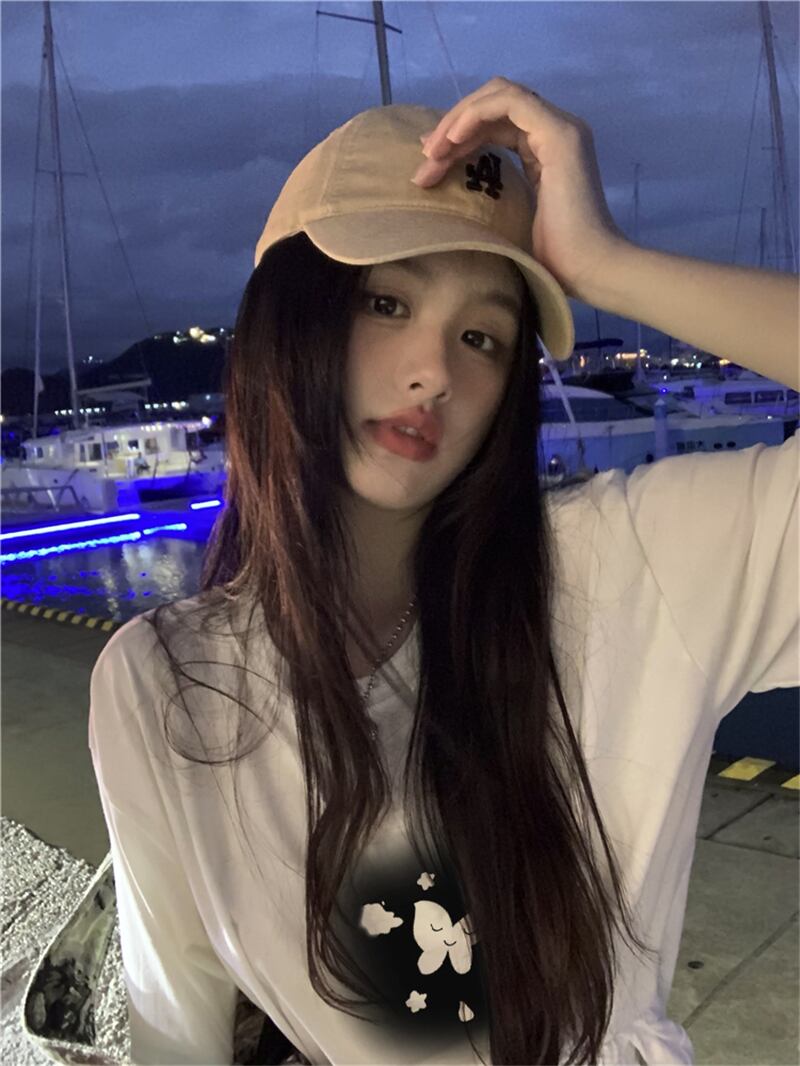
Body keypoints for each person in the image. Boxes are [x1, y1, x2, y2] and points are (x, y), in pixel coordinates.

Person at [87, 77, 798, 1066]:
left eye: (483, 337)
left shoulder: (632, 563)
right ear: (291, 320)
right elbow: (176, 1019)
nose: (434, 371)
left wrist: (611, 265)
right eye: (386, 301)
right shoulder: (166, 682)